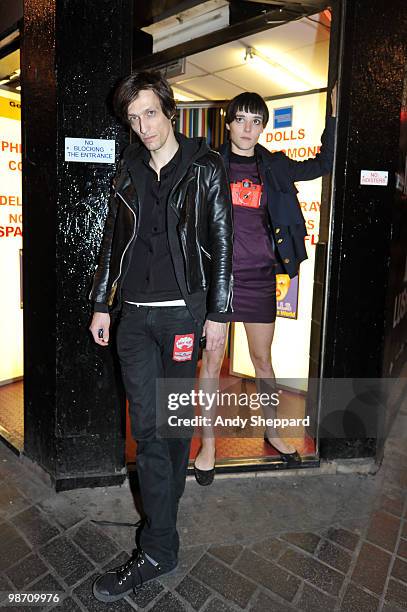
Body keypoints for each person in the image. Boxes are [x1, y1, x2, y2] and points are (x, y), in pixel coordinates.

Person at [89, 71, 233, 601]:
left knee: (169, 429)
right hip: (133, 320)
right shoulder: (126, 172)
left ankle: (159, 536)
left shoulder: (204, 167)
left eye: (149, 112)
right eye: (133, 118)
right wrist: (102, 303)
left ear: (168, 109)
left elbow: (222, 244)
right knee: (151, 429)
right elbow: (112, 244)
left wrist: (217, 317)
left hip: (180, 319)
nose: (142, 126)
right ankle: (160, 542)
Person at [194, 86, 337, 485]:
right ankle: (207, 445)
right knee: (212, 359)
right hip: (218, 281)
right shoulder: (209, 165)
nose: (247, 127)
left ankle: (273, 431)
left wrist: (334, 118)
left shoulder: (272, 166)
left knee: (262, 362)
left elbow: (323, 163)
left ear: (262, 128)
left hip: (258, 277)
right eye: (241, 118)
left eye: (256, 121)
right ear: (229, 122)